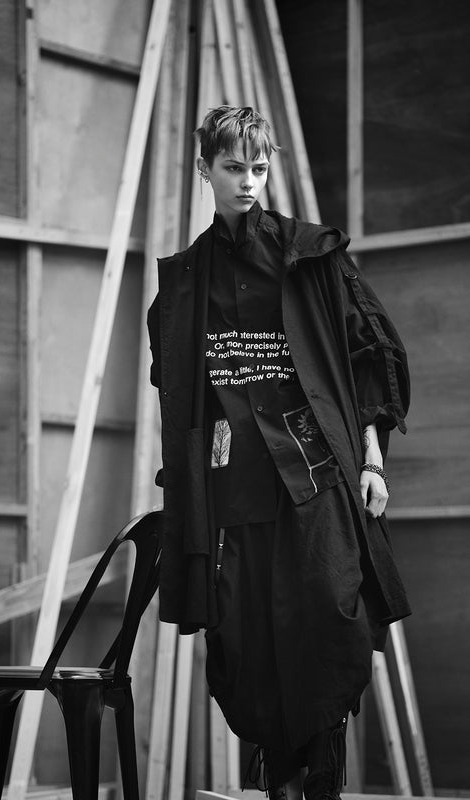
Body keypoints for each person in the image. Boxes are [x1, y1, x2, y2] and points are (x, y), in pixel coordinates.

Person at [147, 106, 411, 800]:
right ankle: (281, 779)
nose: (247, 181)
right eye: (233, 167)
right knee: (247, 636)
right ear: (204, 169)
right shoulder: (184, 280)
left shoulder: (310, 256)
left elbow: (369, 357)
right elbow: (177, 390)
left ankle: (320, 775)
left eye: (258, 168)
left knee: (330, 616)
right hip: (233, 484)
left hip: (316, 474)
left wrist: (372, 460)